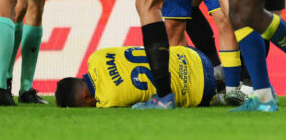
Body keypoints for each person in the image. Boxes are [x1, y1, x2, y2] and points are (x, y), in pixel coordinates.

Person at [54, 45, 216, 108]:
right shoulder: (95, 57)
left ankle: (219, 87)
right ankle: (224, 74)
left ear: (85, 96)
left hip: (202, 92)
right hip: (195, 55)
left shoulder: (109, 100)